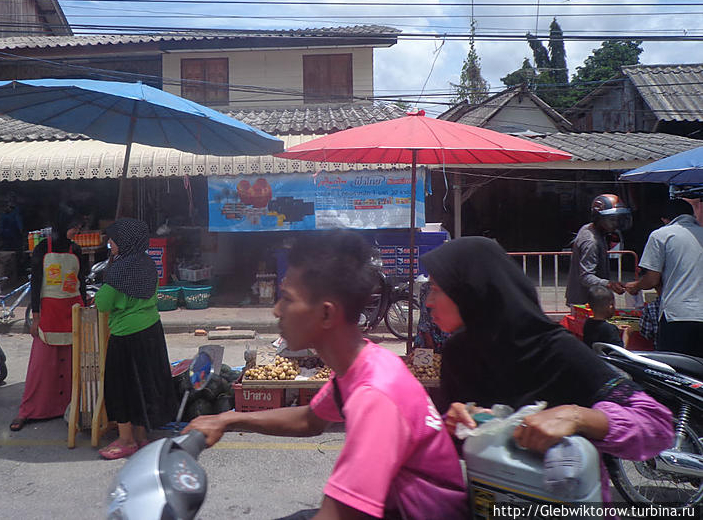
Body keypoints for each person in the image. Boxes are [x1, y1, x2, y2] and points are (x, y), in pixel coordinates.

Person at [184, 230, 468, 520]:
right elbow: (311, 418)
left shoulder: (375, 396)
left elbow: (339, 514)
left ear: (327, 315)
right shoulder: (362, 365)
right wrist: (228, 419)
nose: (276, 310)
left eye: (287, 299)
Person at [423, 237, 673, 504]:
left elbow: (656, 425)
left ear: (472, 292)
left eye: (437, 289)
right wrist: (454, 425)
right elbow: (450, 453)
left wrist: (577, 417)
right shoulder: (457, 352)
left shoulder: (556, 349)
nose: (428, 301)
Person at [95, 218, 177, 460]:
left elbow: (102, 303)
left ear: (125, 241)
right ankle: (141, 437)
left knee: (122, 388)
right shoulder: (148, 263)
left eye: (113, 239)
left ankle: (126, 440)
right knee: (143, 384)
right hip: (151, 331)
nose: (110, 243)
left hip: (126, 335)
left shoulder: (120, 269)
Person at [10, 213, 87, 431]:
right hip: (48, 314)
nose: (76, 233)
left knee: (72, 364)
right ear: (64, 226)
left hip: (73, 312)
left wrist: (85, 309)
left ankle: (69, 406)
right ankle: (29, 410)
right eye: (75, 228)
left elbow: (81, 283)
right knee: (41, 367)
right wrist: (35, 317)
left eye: (79, 229)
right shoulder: (42, 248)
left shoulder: (77, 250)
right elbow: (35, 283)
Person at [625, 198, 703, 357]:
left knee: (675, 370)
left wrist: (636, 286)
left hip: (677, 316)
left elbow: (652, 279)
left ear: (666, 219)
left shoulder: (661, 235)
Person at [565, 194, 631, 306]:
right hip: (584, 302)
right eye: (611, 219)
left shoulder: (591, 229)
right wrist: (609, 284)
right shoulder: (591, 241)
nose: (615, 224)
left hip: (591, 300)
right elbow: (586, 277)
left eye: (617, 219)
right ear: (598, 218)